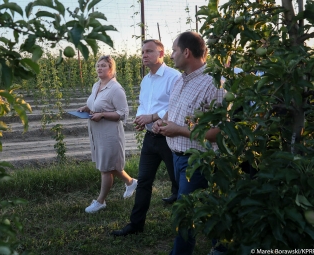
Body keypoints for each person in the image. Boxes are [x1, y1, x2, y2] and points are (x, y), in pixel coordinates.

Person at [152, 31, 224, 255]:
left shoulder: (214, 84)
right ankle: (222, 245)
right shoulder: (179, 80)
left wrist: (179, 130)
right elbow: (175, 114)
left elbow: (219, 131)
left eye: (173, 50)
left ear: (186, 52)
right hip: (177, 157)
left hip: (197, 161)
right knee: (202, 208)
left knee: (184, 215)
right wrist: (162, 123)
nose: (171, 55)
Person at [110, 39, 181, 236]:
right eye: (142, 52)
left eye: (149, 51)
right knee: (144, 182)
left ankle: (186, 224)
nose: (144, 55)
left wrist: (153, 116)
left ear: (161, 53)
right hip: (151, 138)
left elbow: (175, 106)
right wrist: (143, 119)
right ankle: (136, 224)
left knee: (179, 180)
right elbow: (144, 104)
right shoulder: (146, 80)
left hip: (169, 137)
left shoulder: (173, 77)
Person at [77, 55, 137, 214]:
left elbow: (123, 114)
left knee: (106, 168)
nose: (99, 68)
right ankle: (131, 183)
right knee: (110, 164)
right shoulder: (97, 85)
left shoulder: (116, 89)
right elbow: (96, 104)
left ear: (111, 69)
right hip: (97, 132)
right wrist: (86, 108)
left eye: (103, 65)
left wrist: (102, 115)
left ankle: (100, 201)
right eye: (98, 66)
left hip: (110, 133)